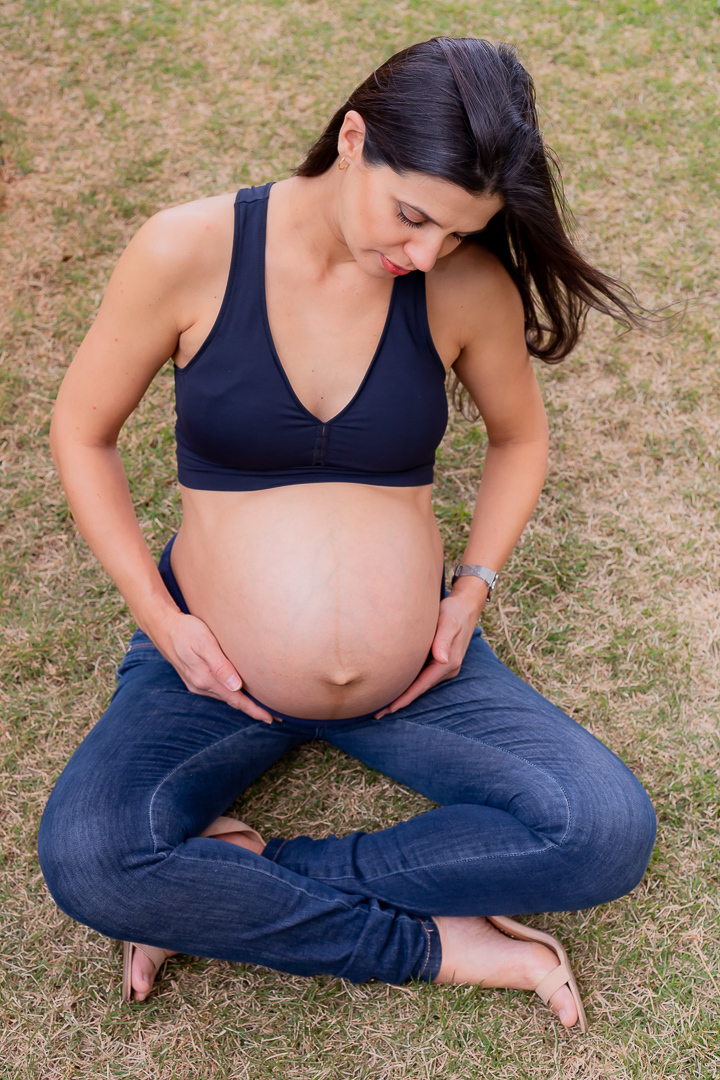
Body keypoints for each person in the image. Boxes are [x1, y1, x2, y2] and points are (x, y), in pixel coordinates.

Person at [38, 37, 657, 1033]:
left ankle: (217, 884)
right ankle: (439, 946)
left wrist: (473, 588)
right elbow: (81, 431)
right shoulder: (189, 250)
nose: (426, 254)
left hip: (416, 677)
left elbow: (520, 437)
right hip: (210, 669)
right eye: (412, 215)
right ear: (355, 139)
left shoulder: (460, 286)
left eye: (458, 233)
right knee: (89, 858)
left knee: (605, 830)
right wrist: (161, 619)